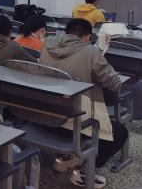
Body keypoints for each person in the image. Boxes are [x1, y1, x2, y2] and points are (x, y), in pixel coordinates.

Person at [40, 18, 126, 188]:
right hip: (71, 122)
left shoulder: (47, 44)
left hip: (44, 115)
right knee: (120, 133)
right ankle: (82, 168)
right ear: (87, 37)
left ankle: (65, 158)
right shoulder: (91, 52)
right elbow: (115, 84)